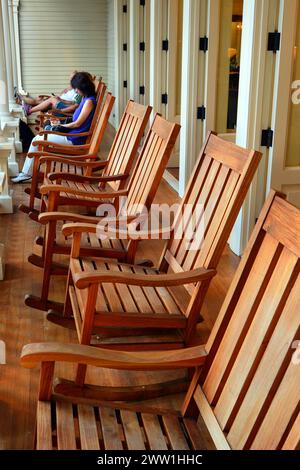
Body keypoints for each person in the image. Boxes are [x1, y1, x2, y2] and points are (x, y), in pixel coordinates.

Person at [12, 72, 97, 183]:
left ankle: (27, 174)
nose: (75, 91)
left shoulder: (89, 102)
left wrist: (60, 126)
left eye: (76, 88)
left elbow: (77, 124)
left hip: (73, 139)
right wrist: (58, 122)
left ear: (83, 87)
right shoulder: (86, 99)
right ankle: (28, 172)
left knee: (36, 140)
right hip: (71, 134)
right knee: (39, 138)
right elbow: (74, 119)